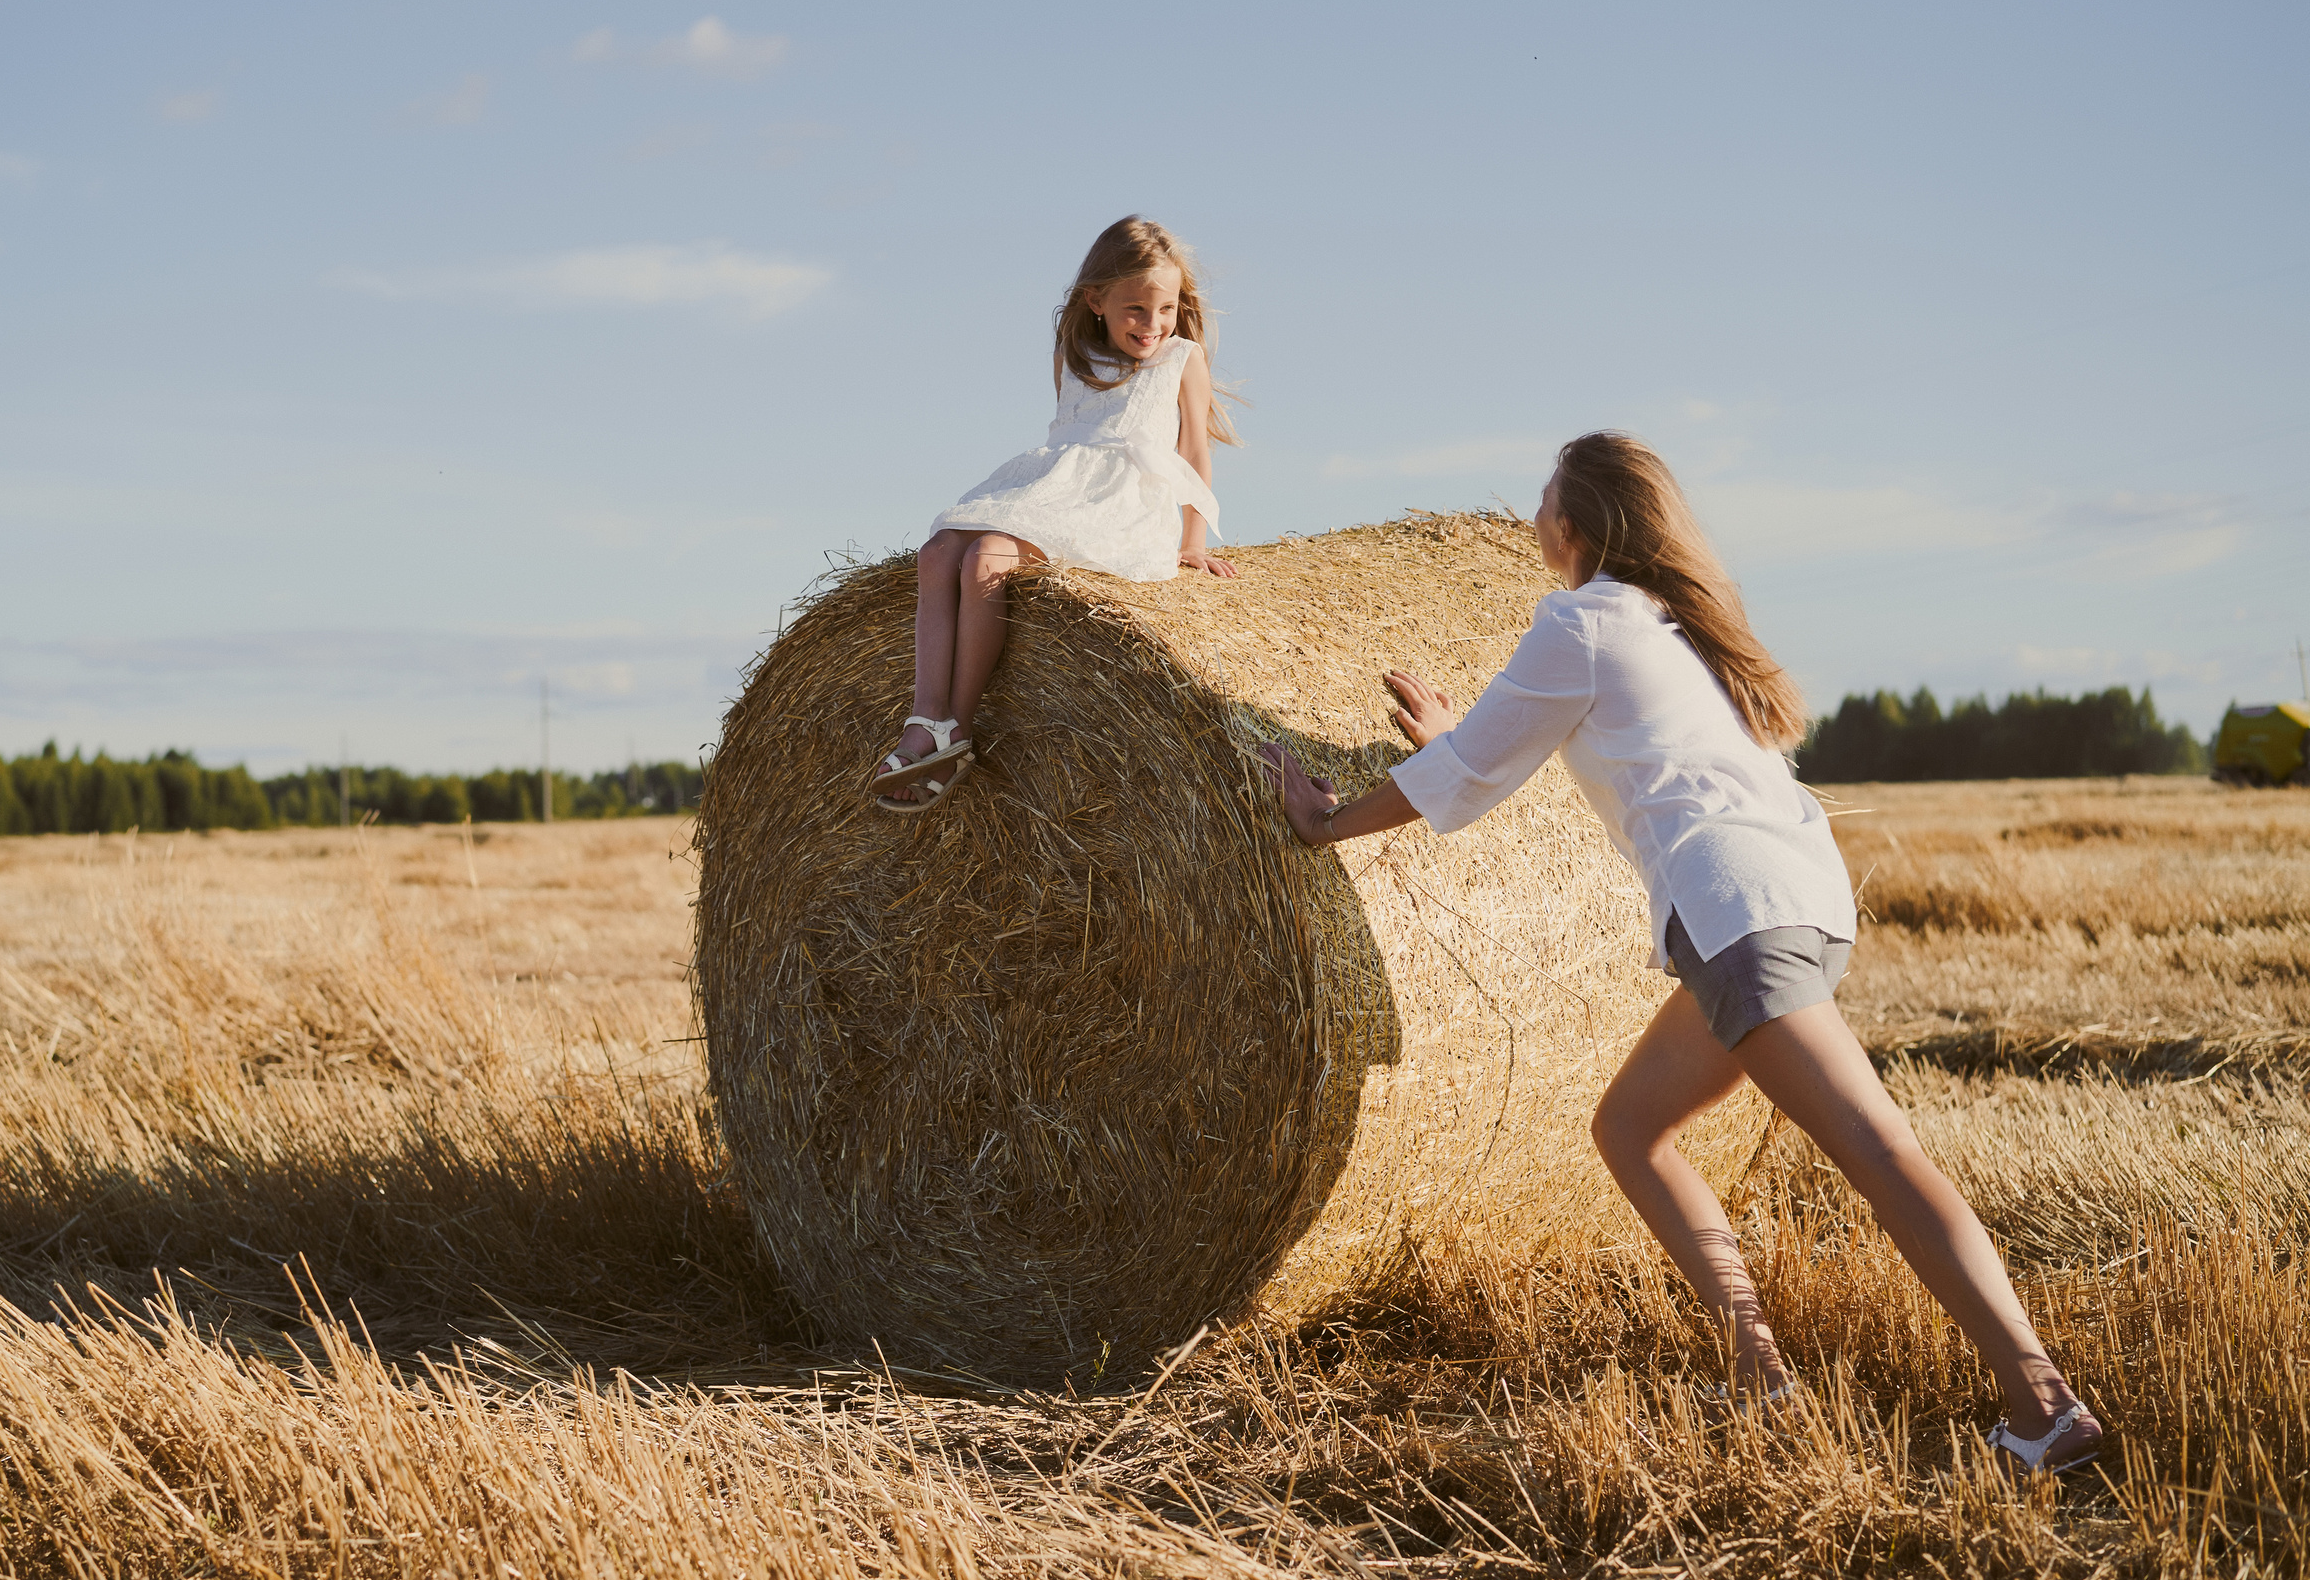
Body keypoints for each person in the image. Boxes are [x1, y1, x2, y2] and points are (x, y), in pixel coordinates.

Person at [1259, 432, 2104, 1475]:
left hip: (1740, 920)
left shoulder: (1582, 618)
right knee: (1630, 1127)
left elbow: (1479, 774)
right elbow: (1548, 760)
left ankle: (2044, 1402)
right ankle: (1757, 1373)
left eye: (1542, 497)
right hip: (1788, 902)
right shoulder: (1677, 626)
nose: (1531, 515)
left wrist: (1321, 823)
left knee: (1880, 1156)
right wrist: (1452, 741)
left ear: (1572, 524)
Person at [869, 216, 1239, 813]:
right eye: (1136, 310)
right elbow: (1070, 441)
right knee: (938, 554)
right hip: (1056, 482)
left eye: (1164, 309)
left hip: (1119, 503)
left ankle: (957, 728)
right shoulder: (1072, 360)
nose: (1152, 324)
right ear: (1096, 300)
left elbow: (1193, 449)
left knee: (986, 559)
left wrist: (1192, 540)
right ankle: (925, 716)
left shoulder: (1180, 357)